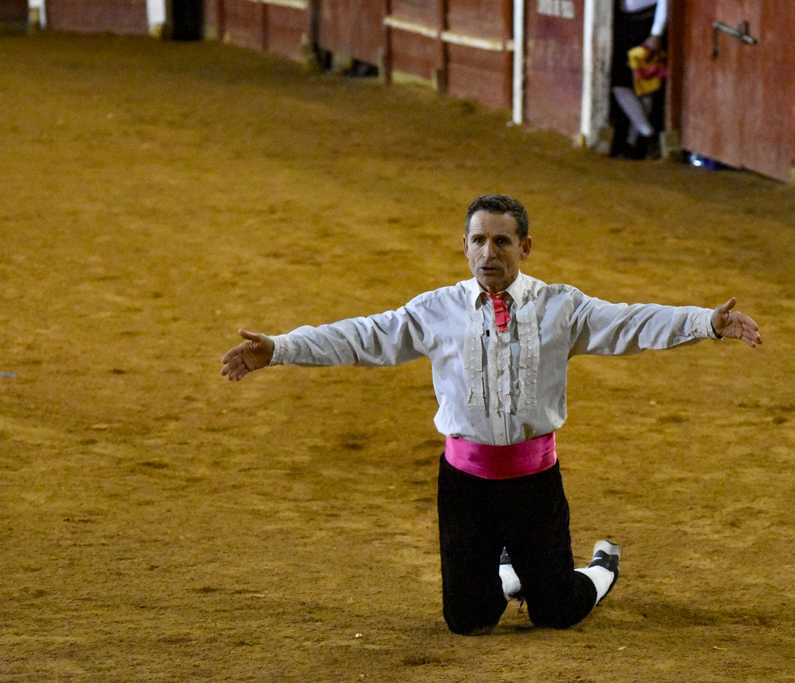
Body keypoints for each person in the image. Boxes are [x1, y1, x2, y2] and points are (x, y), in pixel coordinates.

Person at [220, 194, 762, 635]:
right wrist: (281, 348)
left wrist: (706, 323)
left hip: (535, 485)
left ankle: (600, 569)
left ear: (525, 247)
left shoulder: (561, 307)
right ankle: (508, 567)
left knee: (558, 612)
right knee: (468, 621)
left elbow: (632, 323)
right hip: (464, 488)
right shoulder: (435, 310)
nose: (489, 253)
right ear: (464, 246)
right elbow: (362, 336)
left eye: (502, 241)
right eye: (478, 240)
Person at [610, 0, 669, 160]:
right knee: (625, 83)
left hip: (646, 22)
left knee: (643, 84)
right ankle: (645, 136)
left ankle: (637, 140)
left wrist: (656, 32)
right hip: (624, 20)